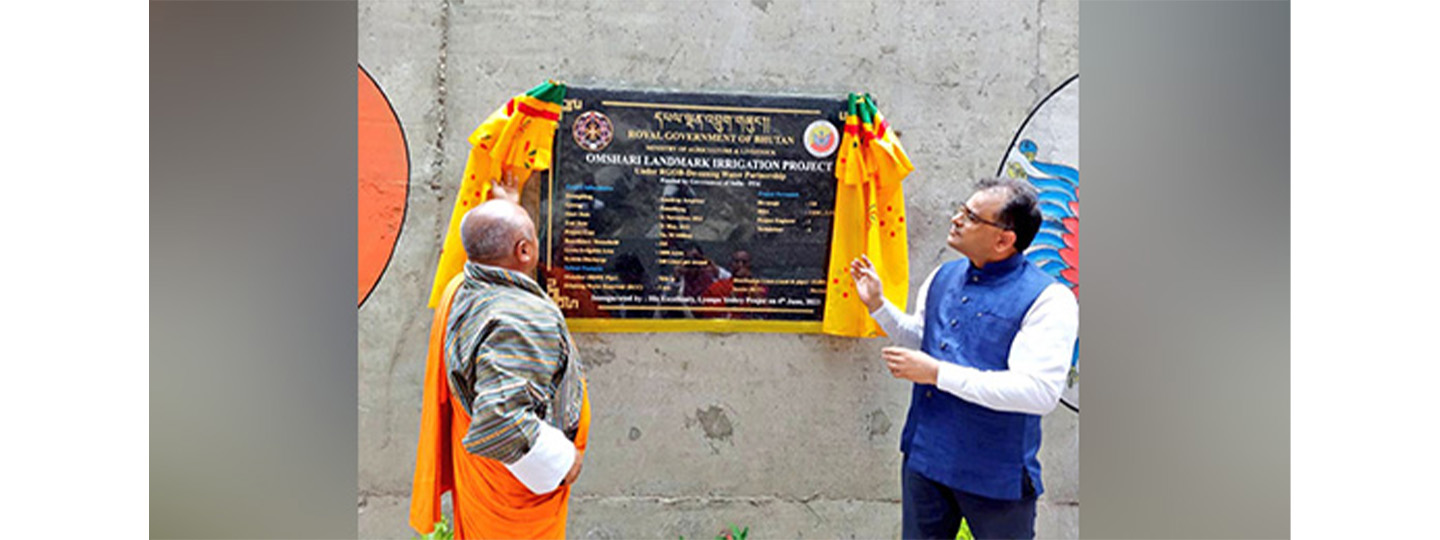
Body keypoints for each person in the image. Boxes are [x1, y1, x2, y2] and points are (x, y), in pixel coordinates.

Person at [849, 177, 1077, 540]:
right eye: (962, 209)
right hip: (925, 459)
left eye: (971, 216)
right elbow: (924, 339)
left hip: (995, 473)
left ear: (1004, 239)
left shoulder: (1049, 300)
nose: (956, 219)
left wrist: (938, 374)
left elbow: (1039, 392)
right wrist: (879, 306)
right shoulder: (945, 275)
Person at [411, 173, 591, 540]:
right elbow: (502, 423)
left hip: (486, 486)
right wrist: (563, 461)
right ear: (524, 251)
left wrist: (508, 206)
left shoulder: (462, 288)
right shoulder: (517, 315)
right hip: (515, 503)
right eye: (532, 243)